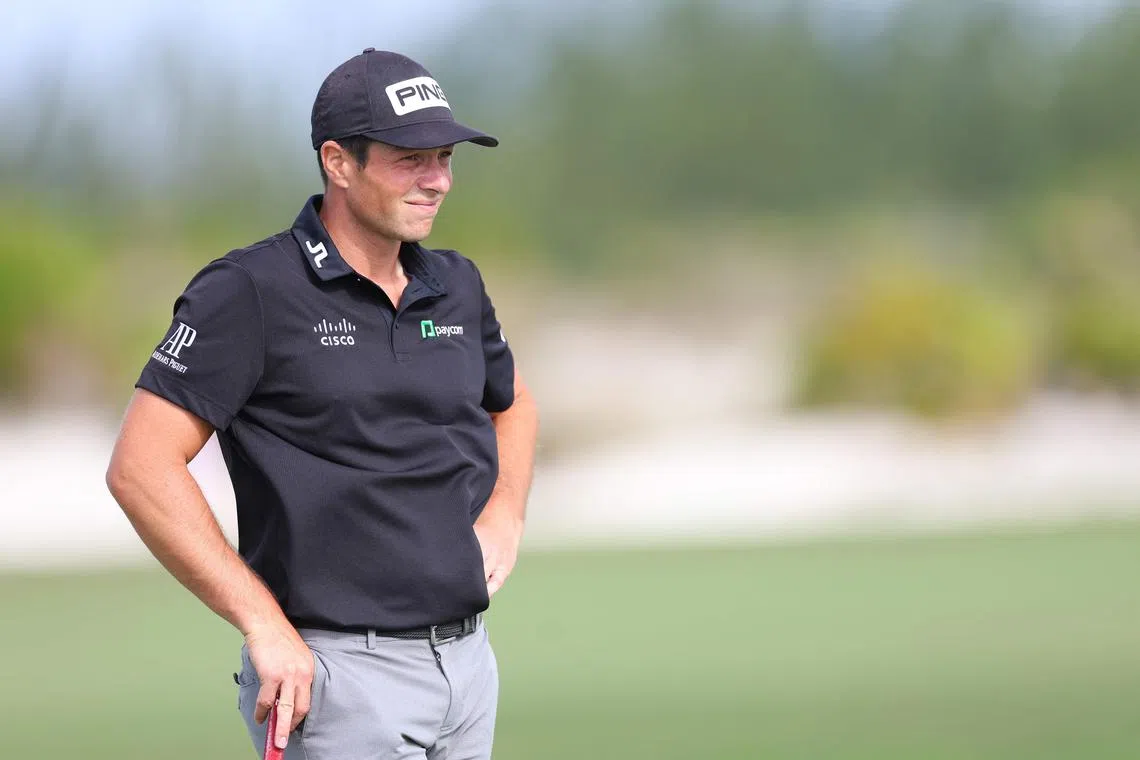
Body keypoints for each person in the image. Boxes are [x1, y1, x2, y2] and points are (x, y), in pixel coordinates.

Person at [105, 48, 538, 759]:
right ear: (338, 162)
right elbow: (140, 467)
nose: (439, 181)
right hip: (337, 678)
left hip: (467, 668)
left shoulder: (456, 284)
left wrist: (507, 509)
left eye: (445, 158)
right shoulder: (250, 290)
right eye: (412, 160)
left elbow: (512, 401)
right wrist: (264, 625)